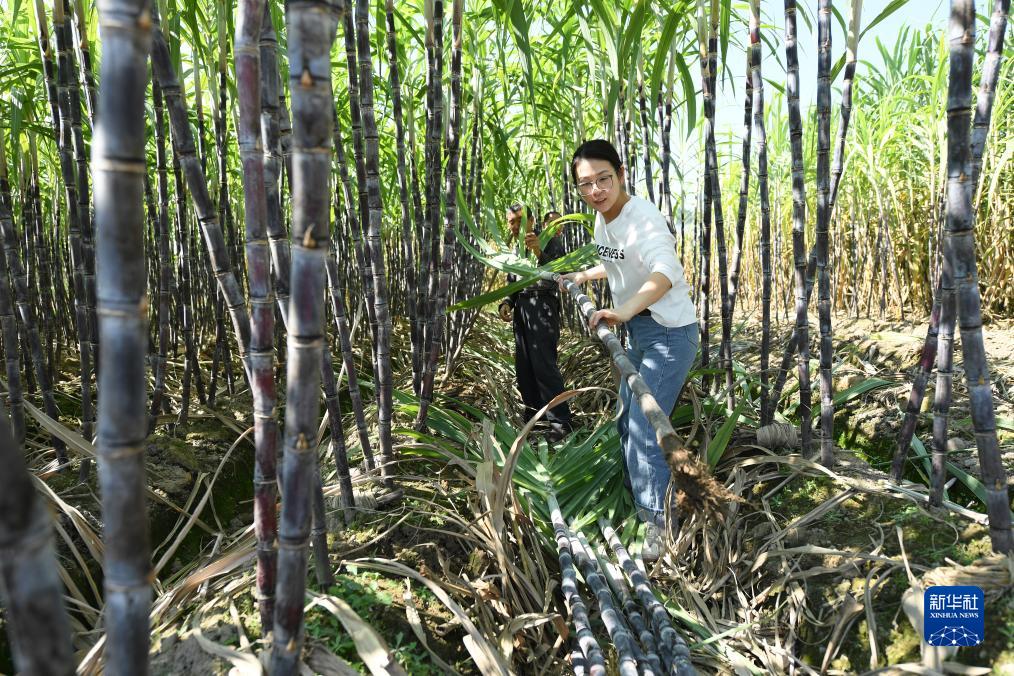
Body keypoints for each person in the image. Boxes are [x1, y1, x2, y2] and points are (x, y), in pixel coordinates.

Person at [560, 140, 698, 560]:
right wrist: (585, 275)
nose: (596, 190)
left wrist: (622, 311)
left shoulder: (644, 220)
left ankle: (660, 527)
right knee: (626, 417)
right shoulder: (603, 219)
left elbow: (664, 272)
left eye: (604, 179)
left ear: (621, 174)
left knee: (644, 425)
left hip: (668, 335)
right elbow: (618, 260)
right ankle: (638, 497)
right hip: (641, 332)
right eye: (585, 184)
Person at [497, 203, 574, 442]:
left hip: (543, 307)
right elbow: (513, 282)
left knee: (544, 365)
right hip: (522, 309)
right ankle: (534, 416)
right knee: (525, 366)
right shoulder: (515, 249)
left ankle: (561, 422)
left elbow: (562, 275)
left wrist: (539, 252)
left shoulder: (549, 240)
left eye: (520, 221)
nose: (515, 226)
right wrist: (507, 302)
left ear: (531, 221)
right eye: (511, 222)